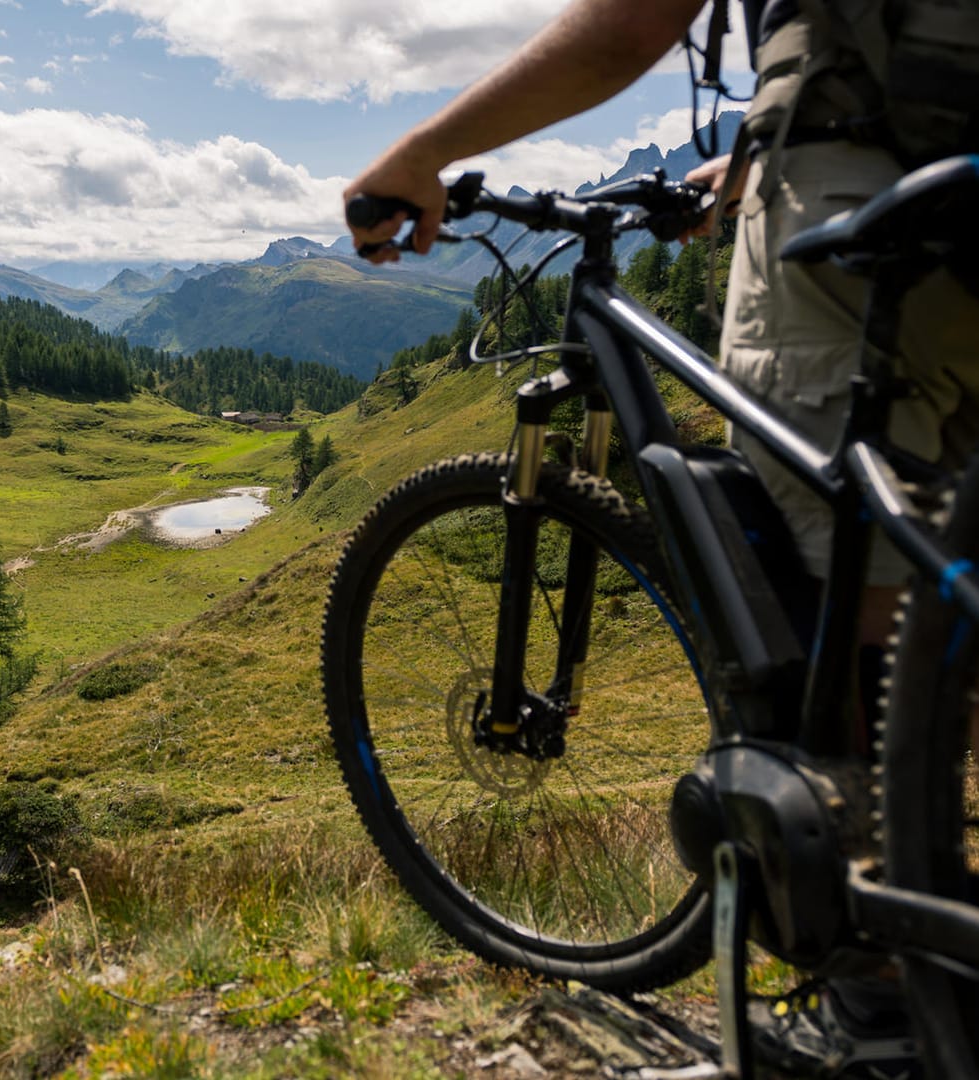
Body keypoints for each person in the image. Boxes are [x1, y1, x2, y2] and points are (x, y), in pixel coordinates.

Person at [344, 1, 979, 1077]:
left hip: (858, 191)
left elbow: (627, 24)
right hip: (938, 166)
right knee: (937, 561)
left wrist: (423, 151)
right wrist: (745, 153)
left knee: (847, 598)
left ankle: (880, 1007)